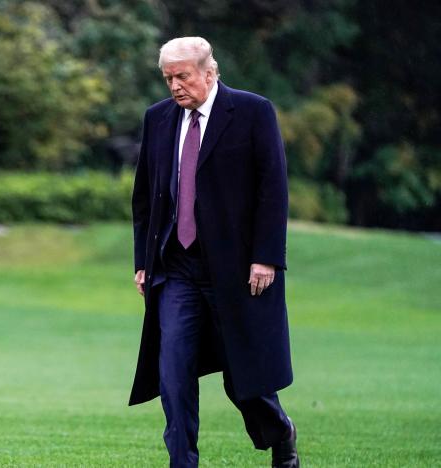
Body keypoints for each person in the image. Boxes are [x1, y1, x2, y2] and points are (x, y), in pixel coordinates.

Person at [129, 36, 299, 468]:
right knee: (173, 373)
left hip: (236, 269)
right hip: (176, 268)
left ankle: (280, 432)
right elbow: (145, 198)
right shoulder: (158, 119)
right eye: (168, 78)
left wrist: (266, 256)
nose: (174, 86)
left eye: (182, 76)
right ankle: (182, 463)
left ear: (210, 72)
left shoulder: (252, 112)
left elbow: (272, 189)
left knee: (245, 378)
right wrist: (143, 263)